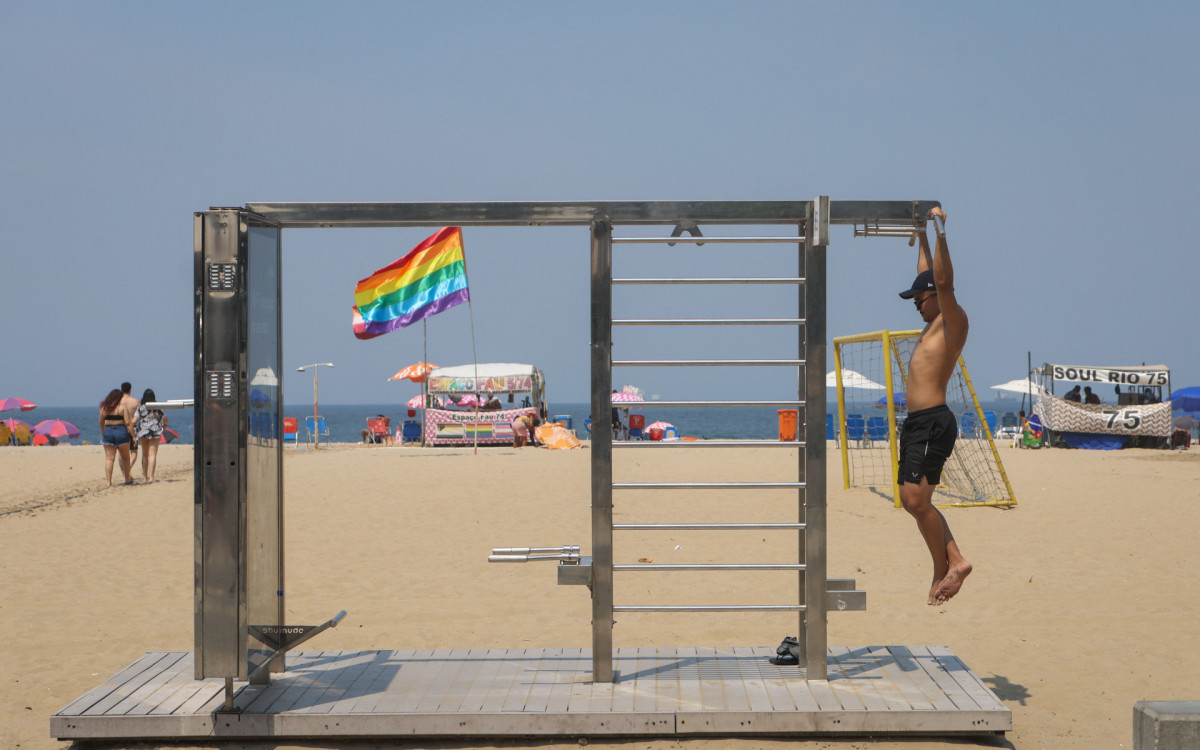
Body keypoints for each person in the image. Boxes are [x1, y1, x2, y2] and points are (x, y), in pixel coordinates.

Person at [895, 206, 971, 606]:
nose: (915, 305)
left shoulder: (953, 320)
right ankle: (953, 561)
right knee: (914, 501)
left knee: (915, 501)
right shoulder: (931, 324)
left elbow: (941, 280)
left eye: (919, 299)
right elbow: (927, 274)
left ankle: (947, 567)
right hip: (918, 423)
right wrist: (920, 234)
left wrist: (941, 231)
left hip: (933, 422)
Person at [99, 389, 135, 486]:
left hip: (108, 432)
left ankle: (108, 482)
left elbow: (101, 422)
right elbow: (128, 423)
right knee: (125, 458)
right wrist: (133, 437)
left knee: (109, 459)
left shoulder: (104, 408)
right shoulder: (122, 407)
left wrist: (103, 431)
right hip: (121, 432)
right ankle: (127, 479)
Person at [134, 388, 166, 483]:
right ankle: (151, 477)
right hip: (155, 431)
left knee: (145, 454)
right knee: (152, 455)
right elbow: (162, 418)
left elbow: (136, 419)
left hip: (143, 430)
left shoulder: (140, 407)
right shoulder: (158, 406)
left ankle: (145, 478)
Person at [119, 382, 140, 464]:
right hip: (132, 426)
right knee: (134, 452)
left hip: (121, 427)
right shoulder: (136, 401)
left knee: (121, 453)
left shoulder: (118, 401)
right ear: (130, 390)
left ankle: (125, 473)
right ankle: (128, 469)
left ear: (121, 390)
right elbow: (139, 414)